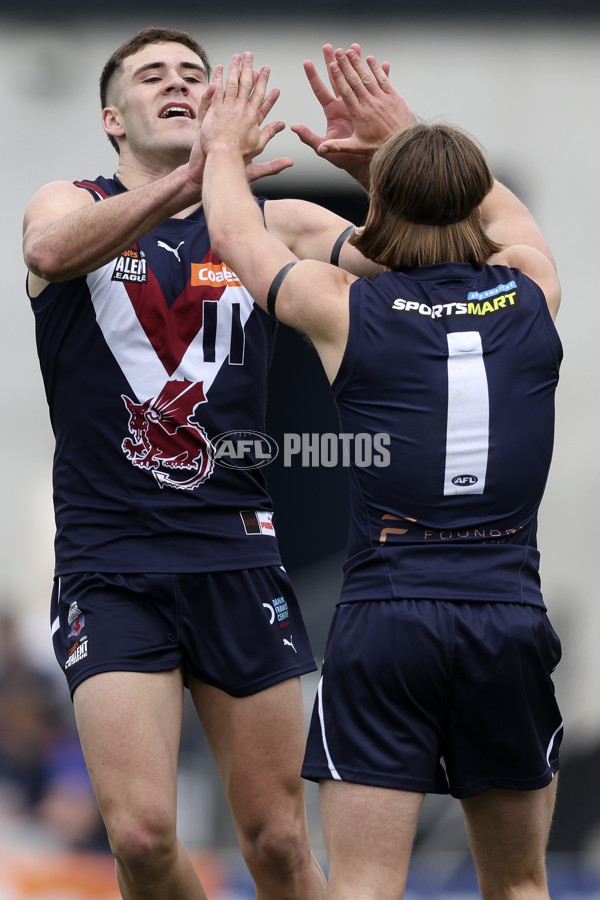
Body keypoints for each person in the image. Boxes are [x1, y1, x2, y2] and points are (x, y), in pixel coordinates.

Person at [21, 27, 413, 900]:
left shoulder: (269, 223)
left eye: (194, 76)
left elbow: (410, 255)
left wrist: (380, 163)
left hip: (236, 554)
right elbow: (48, 254)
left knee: (276, 843)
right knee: (141, 834)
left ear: (220, 106)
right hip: (111, 560)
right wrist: (187, 183)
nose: (176, 84)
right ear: (110, 117)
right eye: (150, 76)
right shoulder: (66, 202)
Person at [198, 50, 564, 900]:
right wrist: (403, 139)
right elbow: (510, 222)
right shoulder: (530, 288)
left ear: (381, 209)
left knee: (364, 888)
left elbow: (237, 236)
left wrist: (221, 144)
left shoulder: (346, 305)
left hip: (387, 618)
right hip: (504, 613)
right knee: (519, 886)